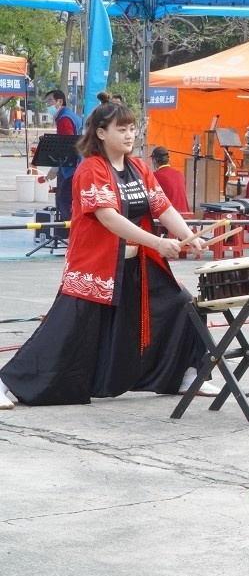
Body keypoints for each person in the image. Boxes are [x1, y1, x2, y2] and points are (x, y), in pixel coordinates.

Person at [0, 100, 219, 410]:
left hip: (136, 265)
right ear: (101, 133)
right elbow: (108, 218)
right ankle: (6, 383)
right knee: (66, 330)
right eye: (122, 129)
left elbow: (162, 206)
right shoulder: (92, 168)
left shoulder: (139, 167)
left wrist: (188, 237)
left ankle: (186, 374)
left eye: (132, 129)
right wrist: (158, 243)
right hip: (96, 265)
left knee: (180, 304)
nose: (130, 135)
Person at [43, 89, 83, 224]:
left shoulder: (65, 119)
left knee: (64, 199)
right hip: (77, 166)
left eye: (50, 101)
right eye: (46, 102)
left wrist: (53, 170)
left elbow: (65, 147)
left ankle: (70, 232)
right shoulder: (70, 116)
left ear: (60, 101)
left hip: (73, 168)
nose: (47, 105)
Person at [150, 146, 190, 214]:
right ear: (169, 159)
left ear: (154, 160)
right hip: (186, 217)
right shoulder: (180, 174)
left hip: (170, 218)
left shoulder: (154, 176)